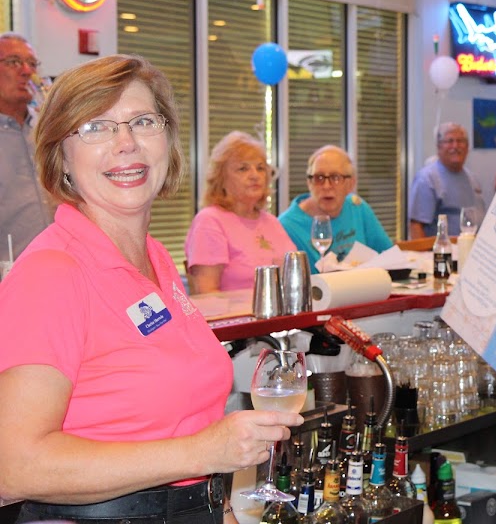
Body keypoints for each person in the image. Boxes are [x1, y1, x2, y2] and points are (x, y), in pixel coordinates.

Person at [0, 54, 302, 523]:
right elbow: (14, 467)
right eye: (96, 127)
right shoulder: (52, 272)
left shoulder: (155, 258)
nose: (126, 143)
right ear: (61, 157)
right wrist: (202, 452)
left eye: (143, 121)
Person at [185, 131, 296, 292]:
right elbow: (207, 294)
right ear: (221, 178)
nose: (255, 175)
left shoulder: (271, 221)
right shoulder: (209, 221)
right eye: (243, 169)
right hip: (236, 309)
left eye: (260, 168)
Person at [279, 145, 393, 272]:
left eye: (335, 178)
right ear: (309, 183)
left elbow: (389, 257)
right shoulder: (286, 226)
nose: (326, 186)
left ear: (351, 184)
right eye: (319, 178)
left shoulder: (357, 207)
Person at [0, 33, 53, 258]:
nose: (26, 71)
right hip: (10, 269)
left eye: (32, 63)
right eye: (13, 62)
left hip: (61, 263)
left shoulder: (48, 129)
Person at [408, 122, 485, 238]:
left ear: (467, 147)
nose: (455, 146)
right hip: (444, 248)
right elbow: (416, 226)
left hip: (474, 246)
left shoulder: (473, 179)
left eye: (460, 141)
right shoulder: (427, 180)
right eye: (449, 141)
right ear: (439, 147)